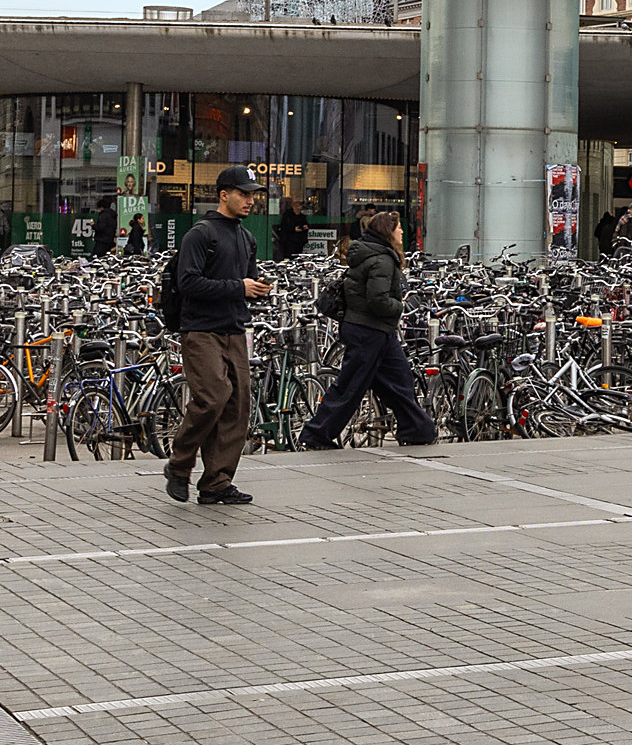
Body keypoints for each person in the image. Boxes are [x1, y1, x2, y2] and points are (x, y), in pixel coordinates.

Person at [167, 167, 272, 506]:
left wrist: (256, 289)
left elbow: (244, 282)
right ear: (223, 194)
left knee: (237, 407)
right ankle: (179, 465)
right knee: (213, 396)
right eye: (244, 193)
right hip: (201, 330)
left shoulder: (245, 237)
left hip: (234, 330)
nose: (251, 200)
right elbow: (188, 283)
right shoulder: (201, 234)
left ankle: (216, 482)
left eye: (253, 194)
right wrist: (238, 287)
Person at [299, 206, 437, 449]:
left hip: (375, 330)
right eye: (398, 228)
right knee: (351, 386)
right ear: (388, 232)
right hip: (369, 330)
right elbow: (378, 301)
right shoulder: (382, 260)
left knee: (398, 381)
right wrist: (400, 306)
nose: (403, 232)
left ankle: (418, 430)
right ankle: (315, 434)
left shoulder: (373, 254)